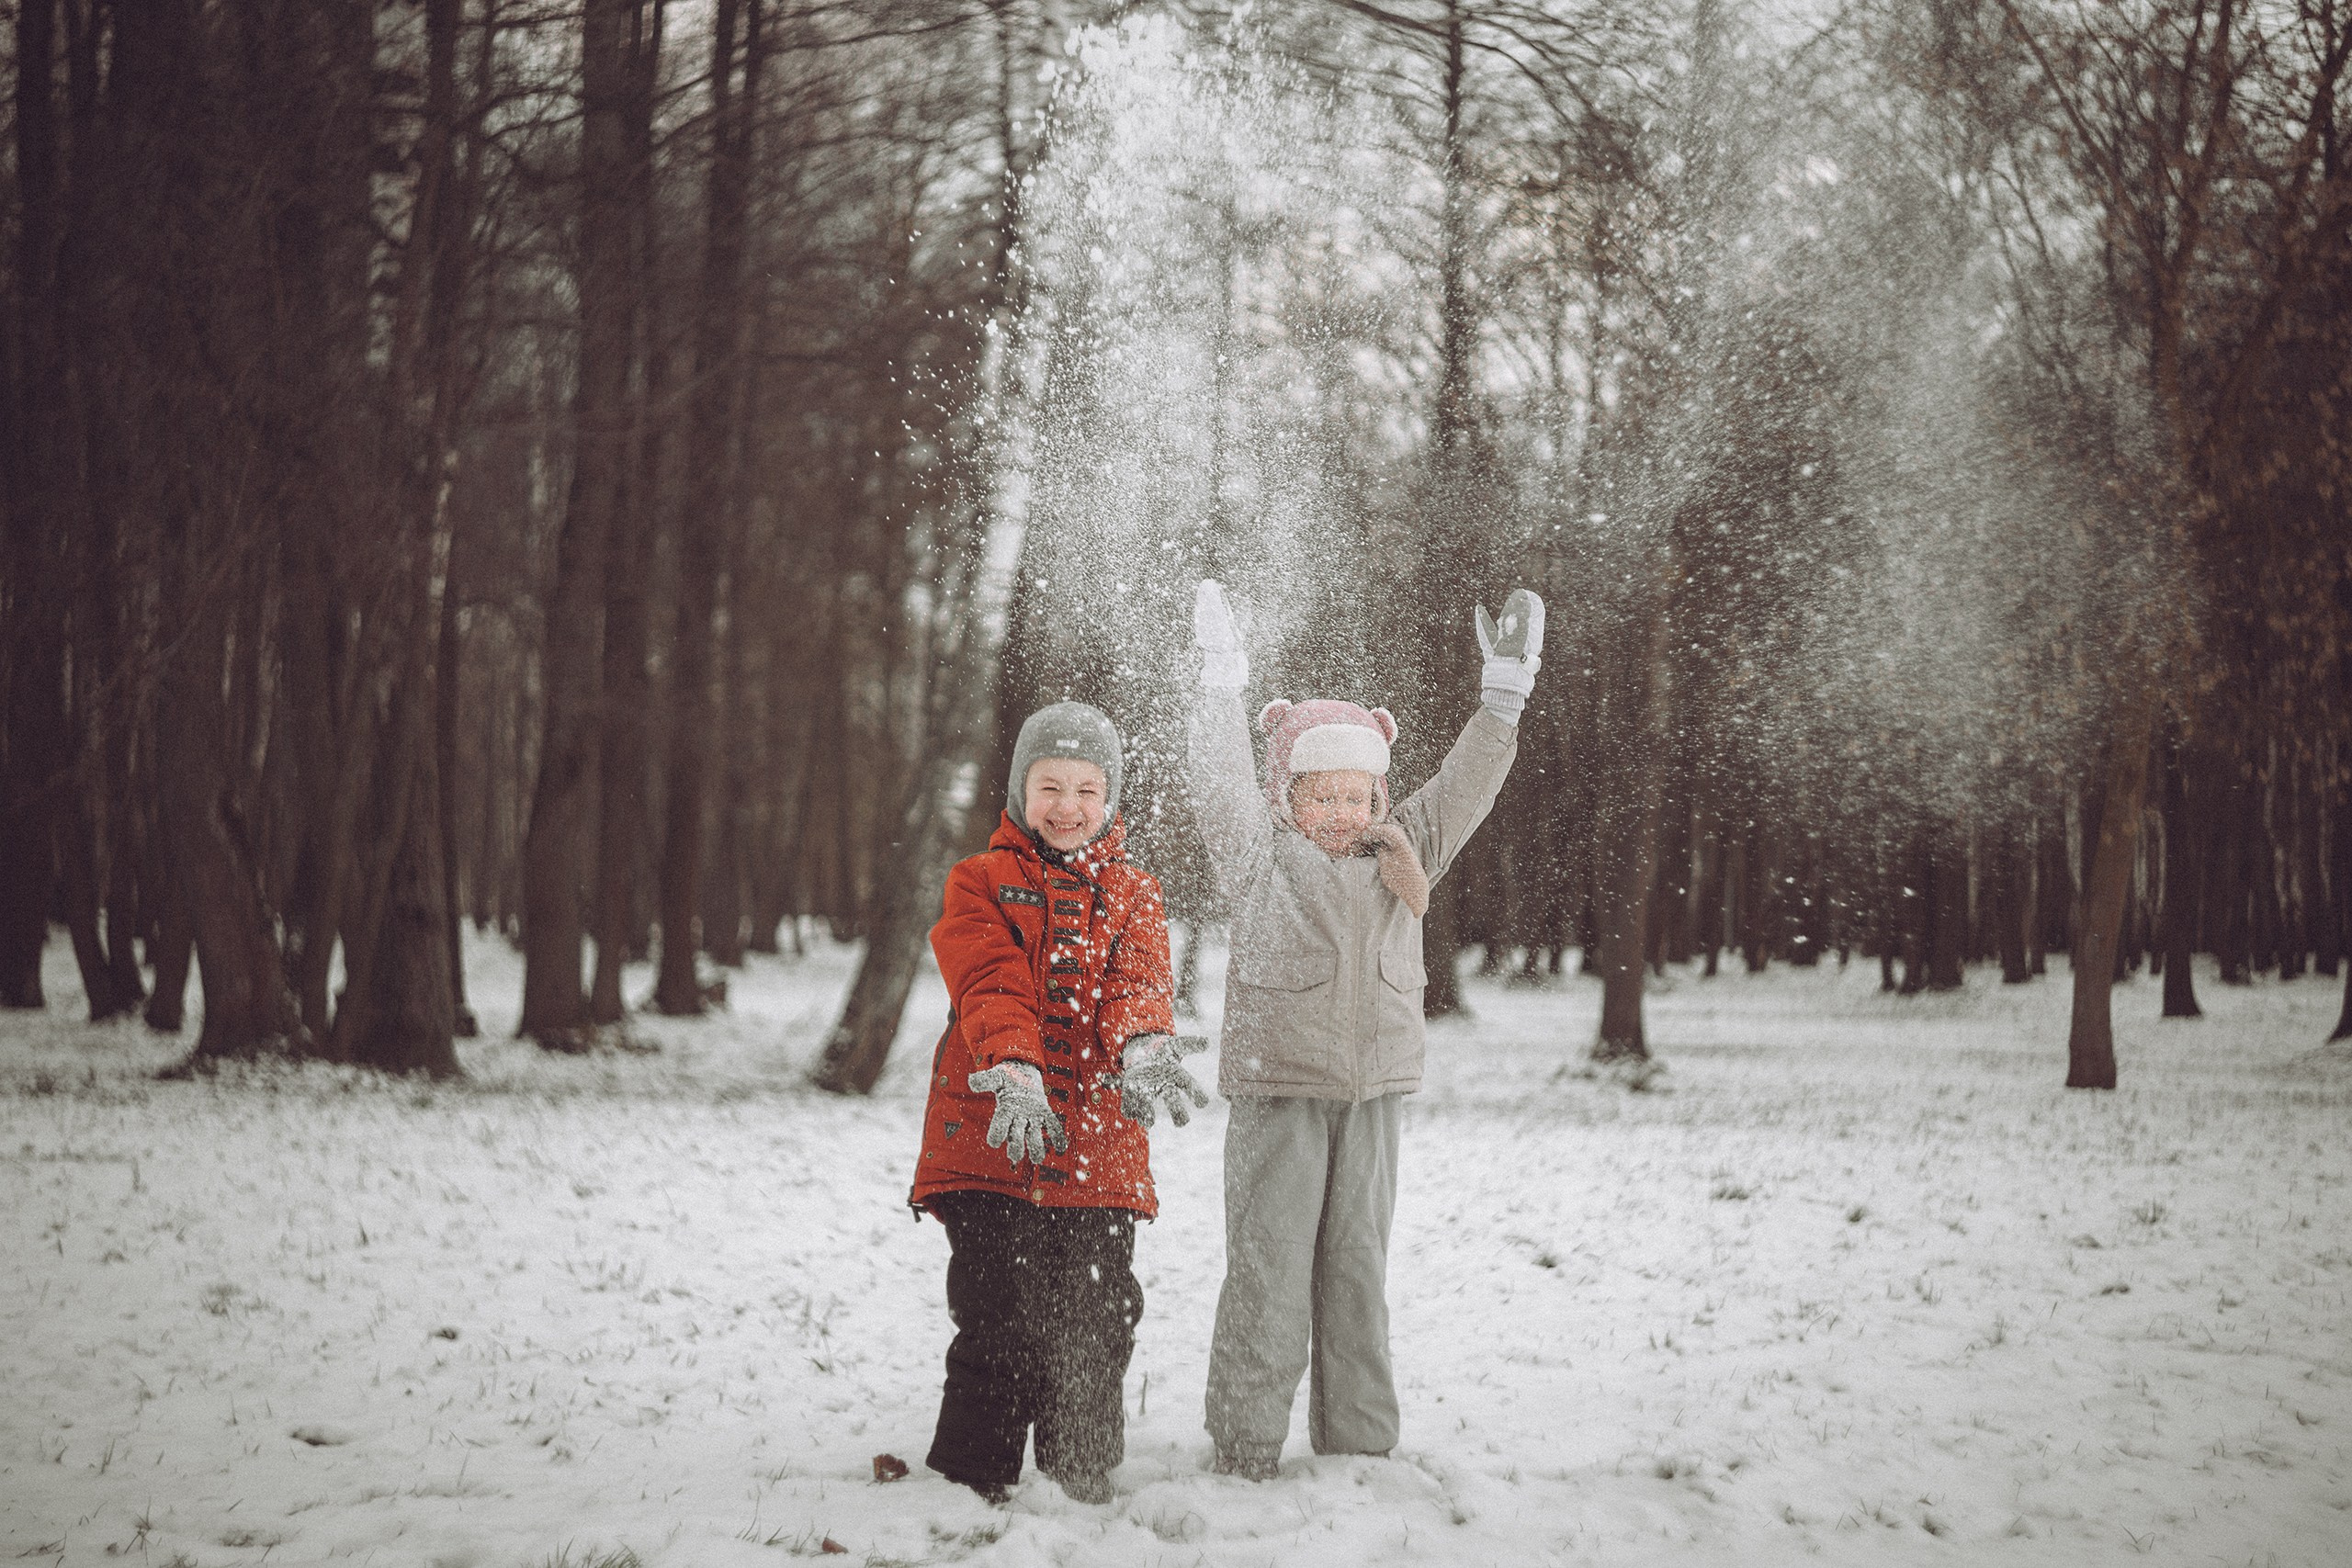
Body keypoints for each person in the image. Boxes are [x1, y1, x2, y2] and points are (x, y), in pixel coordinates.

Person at [1185, 580, 1543, 1479]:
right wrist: (1218, 684)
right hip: (1281, 1094)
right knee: (1268, 1274)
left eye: (1357, 795)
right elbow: (1216, 781)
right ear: (1287, 799)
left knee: (1355, 1274)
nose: (1344, 813)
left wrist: (1501, 696)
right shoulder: (1259, 856)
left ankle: (1358, 1444)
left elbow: (1466, 785)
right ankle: (1246, 1442)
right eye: (1322, 796)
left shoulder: (1407, 846)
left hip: (1374, 1095)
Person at [910, 700, 1209, 1506]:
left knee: (1096, 1314)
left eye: (1086, 787)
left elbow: (1137, 984)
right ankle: (976, 1475)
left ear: (1110, 797)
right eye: (1050, 785)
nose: (1068, 805)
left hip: (1099, 1150)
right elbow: (989, 981)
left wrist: (1144, 1043)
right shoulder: (978, 882)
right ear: (1019, 788)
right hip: (992, 1135)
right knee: (998, 1312)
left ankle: (1080, 1467)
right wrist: (1014, 1062)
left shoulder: (1135, 893)